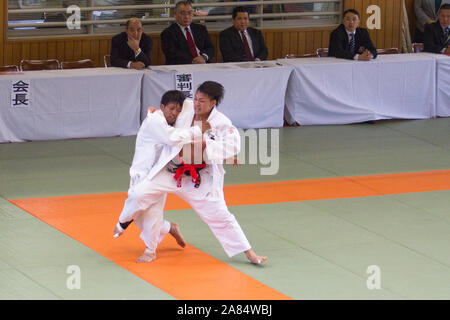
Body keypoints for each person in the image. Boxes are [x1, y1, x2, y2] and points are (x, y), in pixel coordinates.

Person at [114, 81, 267, 265]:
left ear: (213, 103)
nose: (196, 103)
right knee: (139, 193)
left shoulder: (221, 123)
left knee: (219, 214)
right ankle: (134, 233)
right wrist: (155, 112)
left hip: (197, 179)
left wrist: (207, 145)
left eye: (202, 101)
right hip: (170, 171)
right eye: (195, 98)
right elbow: (163, 111)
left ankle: (249, 253)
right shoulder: (185, 107)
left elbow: (234, 145)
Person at [114, 90, 209, 262]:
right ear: (162, 107)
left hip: (159, 174)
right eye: (171, 108)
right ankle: (169, 228)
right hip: (140, 174)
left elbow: (181, 127)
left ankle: (150, 251)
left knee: (152, 214)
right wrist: (197, 130)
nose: (174, 113)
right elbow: (172, 139)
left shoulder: (169, 122)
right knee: (140, 217)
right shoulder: (154, 121)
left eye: (178, 110)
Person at [160, 1, 215, 65]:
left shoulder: (201, 29)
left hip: (203, 63)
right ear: (175, 14)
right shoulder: (168, 33)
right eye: (183, 13)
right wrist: (194, 60)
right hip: (181, 67)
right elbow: (172, 54)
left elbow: (210, 48)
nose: (186, 16)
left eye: (189, 13)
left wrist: (204, 57)